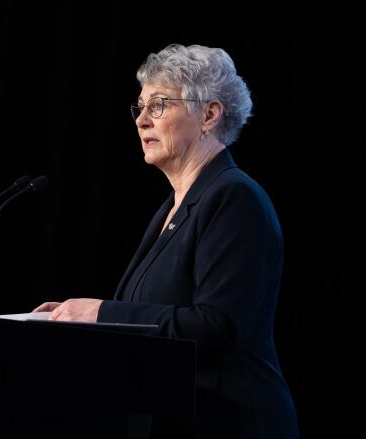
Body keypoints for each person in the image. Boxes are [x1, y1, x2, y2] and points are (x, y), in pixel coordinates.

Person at [33, 44, 298, 438]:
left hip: (229, 422)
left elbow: (214, 326)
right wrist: (77, 319)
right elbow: (152, 316)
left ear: (209, 114)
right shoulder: (175, 206)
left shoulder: (234, 198)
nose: (141, 120)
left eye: (158, 105)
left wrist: (101, 313)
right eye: (140, 107)